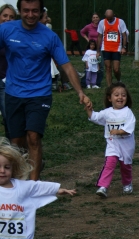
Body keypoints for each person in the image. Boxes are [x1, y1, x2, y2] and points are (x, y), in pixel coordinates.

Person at [0, 0, 92, 181]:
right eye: (26, 11)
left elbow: (66, 65)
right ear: (20, 11)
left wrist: (80, 91)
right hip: (13, 93)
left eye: (35, 11)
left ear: (41, 12)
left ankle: (33, 186)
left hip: (39, 94)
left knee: (33, 137)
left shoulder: (49, 37)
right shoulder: (6, 30)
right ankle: (16, 184)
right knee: (16, 142)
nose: (30, 15)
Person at [86, 83, 135, 198]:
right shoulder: (107, 112)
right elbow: (95, 117)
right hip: (113, 145)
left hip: (126, 146)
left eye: (123, 95)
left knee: (125, 166)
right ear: (110, 98)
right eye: (116, 95)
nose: (120, 97)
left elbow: (129, 128)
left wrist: (118, 132)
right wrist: (89, 109)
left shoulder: (128, 112)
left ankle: (127, 183)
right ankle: (103, 186)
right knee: (109, 164)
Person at [97, 9, 128, 86]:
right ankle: (109, 87)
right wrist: (98, 51)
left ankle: (118, 80)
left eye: (111, 18)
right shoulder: (102, 22)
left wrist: (124, 47)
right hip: (106, 48)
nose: (109, 20)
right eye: (108, 19)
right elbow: (99, 37)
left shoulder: (120, 22)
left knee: (116, 69)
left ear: (114, 15)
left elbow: (124, 35)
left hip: (117, 48)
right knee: (108, 68)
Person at [0, 4, 16, 138]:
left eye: (11, 17)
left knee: (9, 119)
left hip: (6, 83)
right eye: (5, 15)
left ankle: (13, 154)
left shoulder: (16, 37)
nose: (7, 19)